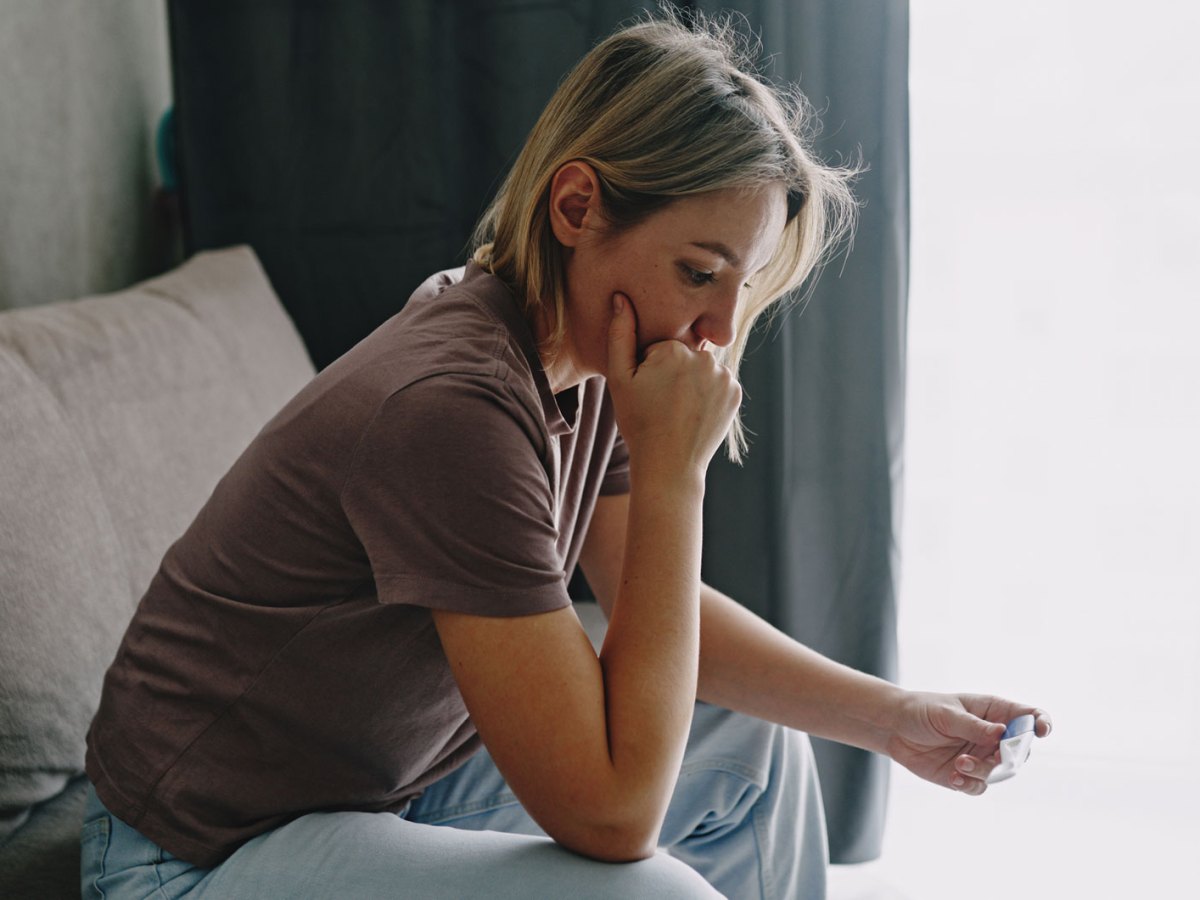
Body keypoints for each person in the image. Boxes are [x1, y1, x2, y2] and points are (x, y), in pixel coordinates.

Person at [81, 10, 1051, 899]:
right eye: (697, 273)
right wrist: (676, 476)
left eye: (741, 287)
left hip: (381, 782)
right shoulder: (453, 408)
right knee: (651, 891)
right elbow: (614, 812)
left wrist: (893, 718)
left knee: (758, 751)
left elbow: (649, 603)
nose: (717, 332)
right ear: (577, 208)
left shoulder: (575, 360)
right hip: (194, 856)